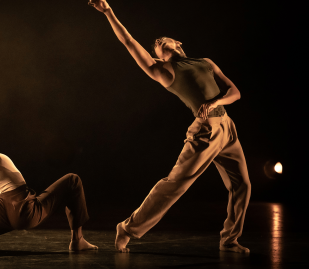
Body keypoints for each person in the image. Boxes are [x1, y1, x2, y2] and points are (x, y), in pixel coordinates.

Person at [88, 0, 251, 253]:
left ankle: (229, 240)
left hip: (227, 128)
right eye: (156, 44)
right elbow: (129, 42)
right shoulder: (162, 70)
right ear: (159, 55)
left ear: (179, 43)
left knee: (243, 185)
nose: (159, 41)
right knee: (175, 184)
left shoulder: (206, 62)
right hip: (205, 132)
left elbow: (236, 92)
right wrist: (109, 12)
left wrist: (216, 101)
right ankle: (127, 228)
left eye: (163, 39)